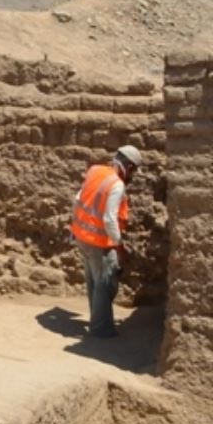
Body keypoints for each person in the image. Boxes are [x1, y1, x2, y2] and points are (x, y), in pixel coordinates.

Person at [71, 143, 142, 338]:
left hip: (82, 236)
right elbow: (110, 220)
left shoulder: (96, 171)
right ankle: (101, 329)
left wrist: (75, 227)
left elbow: (77, 199)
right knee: (105, 282)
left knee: (93, 281)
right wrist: (119, 246)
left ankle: (97, 321)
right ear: (128, 168)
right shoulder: (116, 185)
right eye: (133, 172)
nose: (131, 177)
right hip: (98, 241)